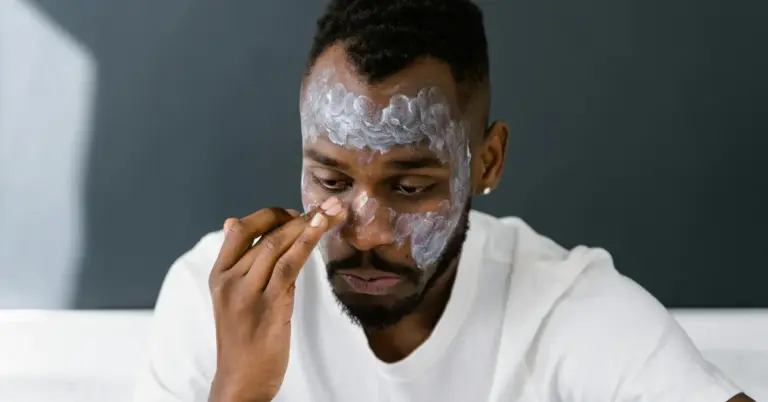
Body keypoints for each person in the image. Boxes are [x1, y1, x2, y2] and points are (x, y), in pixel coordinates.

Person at [133, 0, 754, 401]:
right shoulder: (212, 299)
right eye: (331, 180)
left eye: (409, 187)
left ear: (487, 161)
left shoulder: (564, 310)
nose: (366, 231)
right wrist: (238, 389)